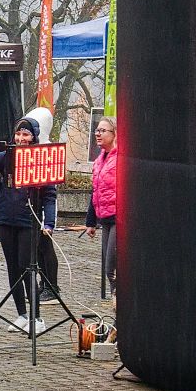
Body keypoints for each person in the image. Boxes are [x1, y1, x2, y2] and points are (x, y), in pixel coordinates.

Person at [0, 109, 61, 334]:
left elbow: (49, 195)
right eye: (18, 134)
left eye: (26, 134)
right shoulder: (7, 156)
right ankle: (22, 314)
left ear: (34, 137)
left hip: (28, 222)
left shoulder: (41, 159)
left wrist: (49, 223)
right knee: (12, 268)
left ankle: (36, 317)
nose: (21, 138)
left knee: (26, 267)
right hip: (5, 219)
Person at [79, 116, 120, 298]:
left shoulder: (121, 158)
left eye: (103, 131)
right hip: (105, 219)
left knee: (112, 269)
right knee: (108, 270)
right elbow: (95, 191)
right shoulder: (99, 160)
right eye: (97, 130)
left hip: (119, 218)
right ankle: (117, 305)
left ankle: (120, 306)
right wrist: (91, 222)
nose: (98, 134)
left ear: (115, 133)